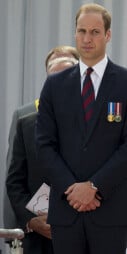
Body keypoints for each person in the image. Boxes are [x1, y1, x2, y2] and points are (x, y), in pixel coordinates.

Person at [35, 3, 127, 254]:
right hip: (66, 209)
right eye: (82, 31)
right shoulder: (54, 85)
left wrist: (94, 187)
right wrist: (72, 188)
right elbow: (44, 144)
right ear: (75, 33)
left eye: (95, 32)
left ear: (108, 35)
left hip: (110, 209)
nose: (87, 38)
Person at [5, 56, 78, 254]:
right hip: (38, 246)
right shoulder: (27, 125)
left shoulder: (95, 125)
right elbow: (14, 182)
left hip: (81, 243)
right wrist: (30, 221)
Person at [3, 45, 80, 230]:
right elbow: (15, 179)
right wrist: (30, 220)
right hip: (37, 234)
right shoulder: (25, 119)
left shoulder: (93, 119)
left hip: (80, 229)